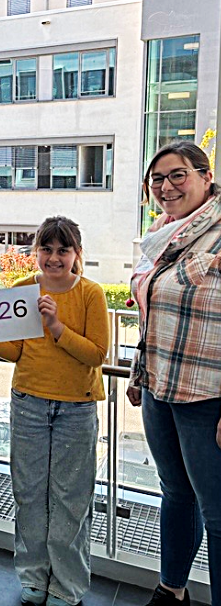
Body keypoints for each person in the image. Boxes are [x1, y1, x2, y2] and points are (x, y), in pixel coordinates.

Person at [0, 216, 108, 606]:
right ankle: (35, 577)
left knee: (71, 499)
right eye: (47, 249)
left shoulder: (91, 294)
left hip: (77, 408)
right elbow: (16, 352)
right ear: (36, 252)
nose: (54, 258)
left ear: (76, 254)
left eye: (63, 250)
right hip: (28, 403)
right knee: (29, 494)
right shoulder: (21, 290)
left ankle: (67, 585)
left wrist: (56, 325)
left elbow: (96, 355)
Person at [127, 141, 221, 606]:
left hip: (208, 397)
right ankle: (171, 591)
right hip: (162, 387)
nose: (166, 187)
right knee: (175, 494)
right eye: (157, 179)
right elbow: (152, 315)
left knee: (220, 515)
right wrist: (138, 374)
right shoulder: (163, 234)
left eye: (178, 175)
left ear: (206, 176)